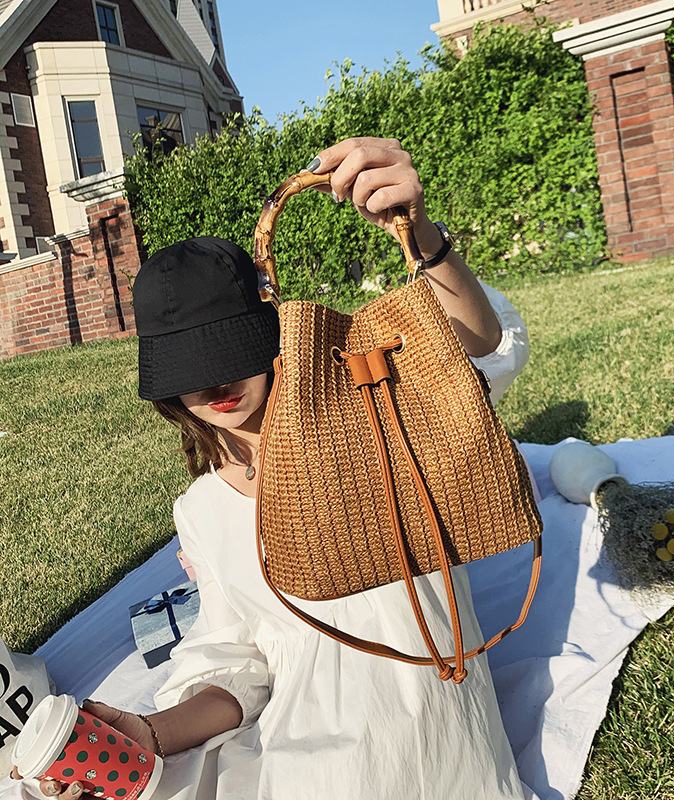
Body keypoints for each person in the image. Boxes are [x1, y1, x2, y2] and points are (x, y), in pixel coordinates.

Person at [12, 137, 533, 799]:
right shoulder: (201, 510)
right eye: (190, 371)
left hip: (433, 731)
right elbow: (240, 659)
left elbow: (484, 348)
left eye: (230, 354)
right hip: (299, 744)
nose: (215, 386)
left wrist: (422, 234)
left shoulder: (369, 411)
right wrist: (149, 733)